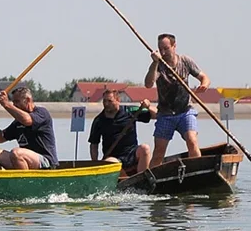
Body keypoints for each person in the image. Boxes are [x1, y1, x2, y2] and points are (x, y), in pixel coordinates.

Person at [144, 33, 210, 165]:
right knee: (158, 153)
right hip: (165, 114)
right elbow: (148, 84)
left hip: (185, 111)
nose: (163, 52)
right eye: (160, 49)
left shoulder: (185, 61)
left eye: (166, 48)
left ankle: (197, 170)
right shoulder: (159, 65)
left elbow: (204, 77)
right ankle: (151, 180)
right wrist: (154, 62)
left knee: (192, 140)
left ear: (174, 46)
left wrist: (204, 85)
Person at [0, 87, 58, 169]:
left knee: (17, 153)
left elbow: (27, 120)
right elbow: (0, 138)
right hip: (23, 160)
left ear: (27, 100)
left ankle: (24, 181)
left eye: (17, 101)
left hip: (45, 162)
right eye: (13, 102)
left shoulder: (41, 113)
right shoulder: (18, 122)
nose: (14, 105)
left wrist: (6, 104)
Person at [89, 90, 154, 175]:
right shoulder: (98, 120)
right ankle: (126, 181)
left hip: (132, 152)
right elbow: (94, 145)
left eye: (110, 101)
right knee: (111, 162)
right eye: (104, 101)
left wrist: (148, 106)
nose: (106, 104)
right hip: (113, 157)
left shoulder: (130, 111)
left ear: (118, 100)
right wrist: (95, 164)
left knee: (145, 148)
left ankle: (142, 179)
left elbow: (156, 115)